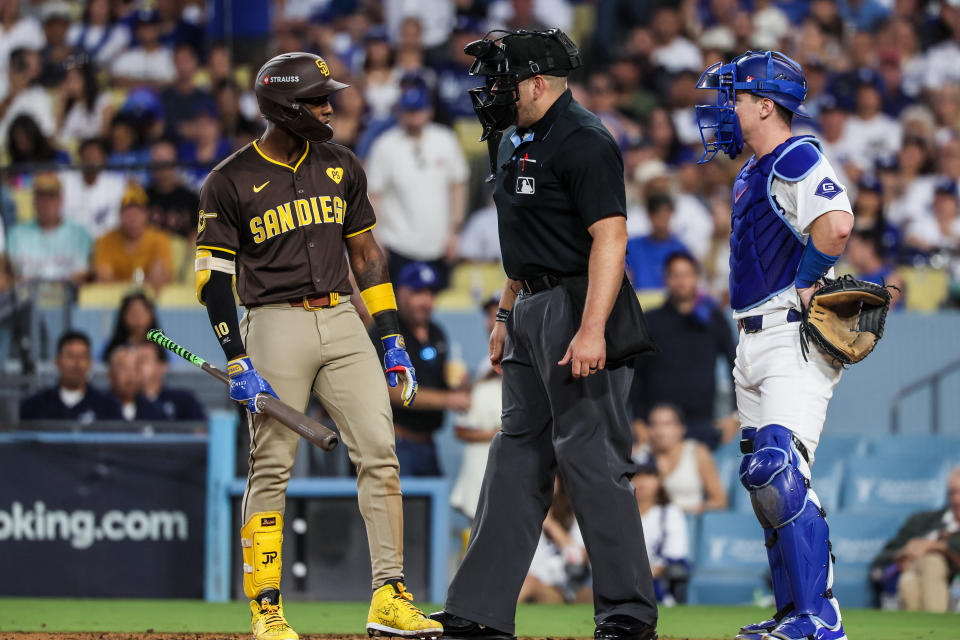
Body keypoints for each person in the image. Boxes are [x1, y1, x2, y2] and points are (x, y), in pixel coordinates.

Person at [193, 52, 440, 639]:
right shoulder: (227, 180)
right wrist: (237, 357)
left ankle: (389, 594)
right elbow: (213, 281)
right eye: (318, 100)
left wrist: (392, 339)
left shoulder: (341, 163)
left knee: (380, 452)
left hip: (341, 317)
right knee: (273, 465)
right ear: (284, 107)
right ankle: (267, 607)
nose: (330, 107)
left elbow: (368, 258)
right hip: (274, 321)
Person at [431, 30, 659, 640]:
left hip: (578, 305)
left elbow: (610, 238)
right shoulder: (514, 140)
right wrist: (507, 312)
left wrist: (591, 331)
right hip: (531, 307)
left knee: (591, 460)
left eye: (504, 79)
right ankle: (477, 612)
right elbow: (520, 244)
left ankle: (627, 615)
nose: (494, 91)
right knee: (514, 457)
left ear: (537, 82)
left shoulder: (585, 139)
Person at [695, 50, 856, 640]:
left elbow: (836, 224)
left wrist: (811, 279)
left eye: (735, 97)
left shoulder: (795, 153)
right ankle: (794, 613)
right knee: (765, 484)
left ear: (767, 104)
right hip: (752, 341)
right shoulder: (750, 171)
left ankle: (822, 615)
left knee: (779, 471)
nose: (725, 108)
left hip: (791, 335)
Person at [372, 261, 470, 477]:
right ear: (400, 292)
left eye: (431, 293)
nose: (426, 301)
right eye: (418, 292)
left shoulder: (437, 333)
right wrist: (448, 399)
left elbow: (444, 382)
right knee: (398, 509)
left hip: (427, 443)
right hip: (394, 444)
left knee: (431, 509)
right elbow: (391, 391)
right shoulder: (386, 333)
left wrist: (461, 386)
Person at [631, 252, 737, 449]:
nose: (681, 281)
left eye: (687, 274)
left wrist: (735, 415)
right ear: (666, 279)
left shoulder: (714, 320)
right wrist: (637, 420)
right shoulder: (650, 321)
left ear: (696, 277)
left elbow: (736, 365)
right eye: (675, 275)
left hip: (703, 424)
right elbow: (637, 374)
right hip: (657, 427)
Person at [366, 85, 469, 285]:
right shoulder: (385, 145)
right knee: (400, 307)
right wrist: (376, 238)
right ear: (400, 112)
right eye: (408, 111)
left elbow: (458, 185)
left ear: (429, 111)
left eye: (418, 110)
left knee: (438, 308)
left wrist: (455, 232)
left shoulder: (445, 139)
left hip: (439, 244)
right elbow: (374, 194)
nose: (413, 117)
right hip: (398, 244)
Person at [870, 465, 960, 613]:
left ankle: (932, 628)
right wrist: (904, 553)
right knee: (909, 579)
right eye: (953, 492)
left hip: (948, 583)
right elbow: (883, 557)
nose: (957, 499)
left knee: (924, 569)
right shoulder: (922, 521)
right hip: (912, 570)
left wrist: (935, 546)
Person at [450, 296, 503, 522]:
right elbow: (461, 429)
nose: (493, 322)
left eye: (500, 314)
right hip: (484, 471)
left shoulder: (533, 362)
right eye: (490, 316)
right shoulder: (485, 369)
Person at [636, 404, 727, 514]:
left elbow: (719, 501)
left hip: (690, 522)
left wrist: (687, 511)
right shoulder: (640, 455)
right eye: (654, 424)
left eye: (667, 424)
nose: (660, 431)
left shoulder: (697, 452)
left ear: (681, 428)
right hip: (650, 524)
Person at [6, 172, 92, 285]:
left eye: (51, 196)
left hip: (70, 299)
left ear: (61, 199)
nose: (46, 202)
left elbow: (87, 275)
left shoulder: (81, 235)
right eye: (41, 196)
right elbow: (9, 276)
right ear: (34, 201)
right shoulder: (16, 235)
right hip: (26, 299)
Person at [19, 331, 121, 423]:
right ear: (57, 361)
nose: (77, 364)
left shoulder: (108, 406)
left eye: (82, 357)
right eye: (71, 356)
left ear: (90, 362)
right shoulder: (34, 405)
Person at [518, 477, 591, 605]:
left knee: (529, 583)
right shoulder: (522, 517)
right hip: (525, 581)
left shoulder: (574, 516)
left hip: (560, 591)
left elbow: (579, 558)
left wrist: (550, 524)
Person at [92, 181, 173, 290]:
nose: (132, 216)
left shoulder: (160, 239)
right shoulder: (105, 241)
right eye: (127, 211)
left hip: (150, 302)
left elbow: (163, 277)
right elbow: (104, 279)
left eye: (137, 211)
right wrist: (136, 287)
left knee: (159, 269)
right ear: (120, 215)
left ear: (146, 214)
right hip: (113, 302)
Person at [631, 460, 690, 606]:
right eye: (636, 475)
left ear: (659, 480)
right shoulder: (616, 511)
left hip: (655, 585)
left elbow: (675, 556)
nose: (642, 481)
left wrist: (643, 573)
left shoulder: (670, 513)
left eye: (648, 475)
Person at [60, 137, 127, 239]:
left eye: (96, 156)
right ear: (80, 158)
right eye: (87, 155)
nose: (91, 160)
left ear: (104, 159)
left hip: (105, 245)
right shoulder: (64, 180)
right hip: (70, 243)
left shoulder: (118, 185)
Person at [625, 194, 689, 289]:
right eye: (658, 215)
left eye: (666, 215)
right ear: (650, 216)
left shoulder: (681, 250)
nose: (662, 220)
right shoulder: (632, 247)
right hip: (639, 301)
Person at [135, 341, 207, 422]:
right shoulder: (126, 401)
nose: (137, 366)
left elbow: (201, 431)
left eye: (144, 360)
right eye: (136, 361)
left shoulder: (185, 400)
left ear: (162, 366)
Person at [146, 138, 200, 240]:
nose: (162, 167)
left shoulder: (192, 199)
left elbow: (199, 234)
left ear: (175, 161)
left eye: (166, 161)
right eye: (158, 161)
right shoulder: (142, 198)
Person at [105, 344, 165, 422]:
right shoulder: (99, 409)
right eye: (123, 368)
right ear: (110, 374)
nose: (130, 375)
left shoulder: (154, 411)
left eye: (135, 368)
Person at [101, 290, 160, 360]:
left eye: (141, 313)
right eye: (133, 313)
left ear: (151, 316)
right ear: (123, 316)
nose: (138, 318)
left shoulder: (162, 349)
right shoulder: (110, 348)